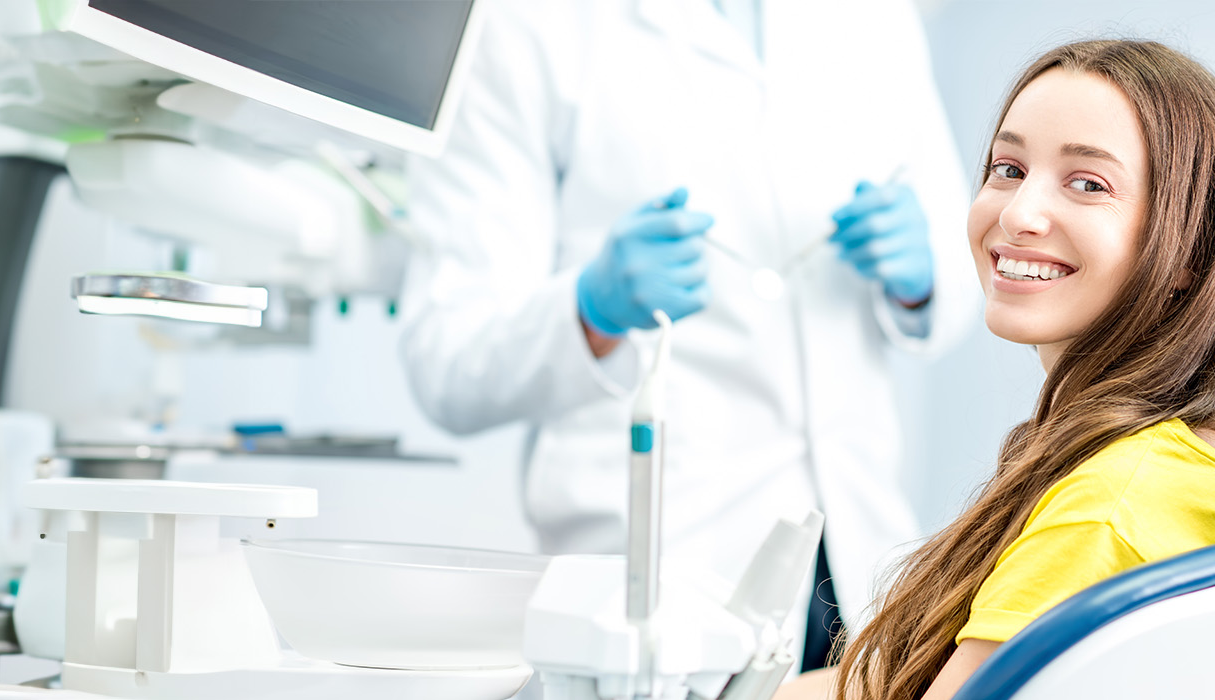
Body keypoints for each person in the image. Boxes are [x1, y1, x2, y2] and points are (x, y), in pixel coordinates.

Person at [397, 0, 974, 669]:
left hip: (859, 565)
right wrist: (591, 309)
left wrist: (923, 276)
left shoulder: (877, 20)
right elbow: (449, 358)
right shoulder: (525, 24)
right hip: (661, 568)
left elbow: (960, 285)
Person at [774, 39, 1215, 699]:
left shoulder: (1107, 509)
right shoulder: (1202, 453)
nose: (1018, 214)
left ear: (1187, 255)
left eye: (1088, 184)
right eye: (1007, 168)